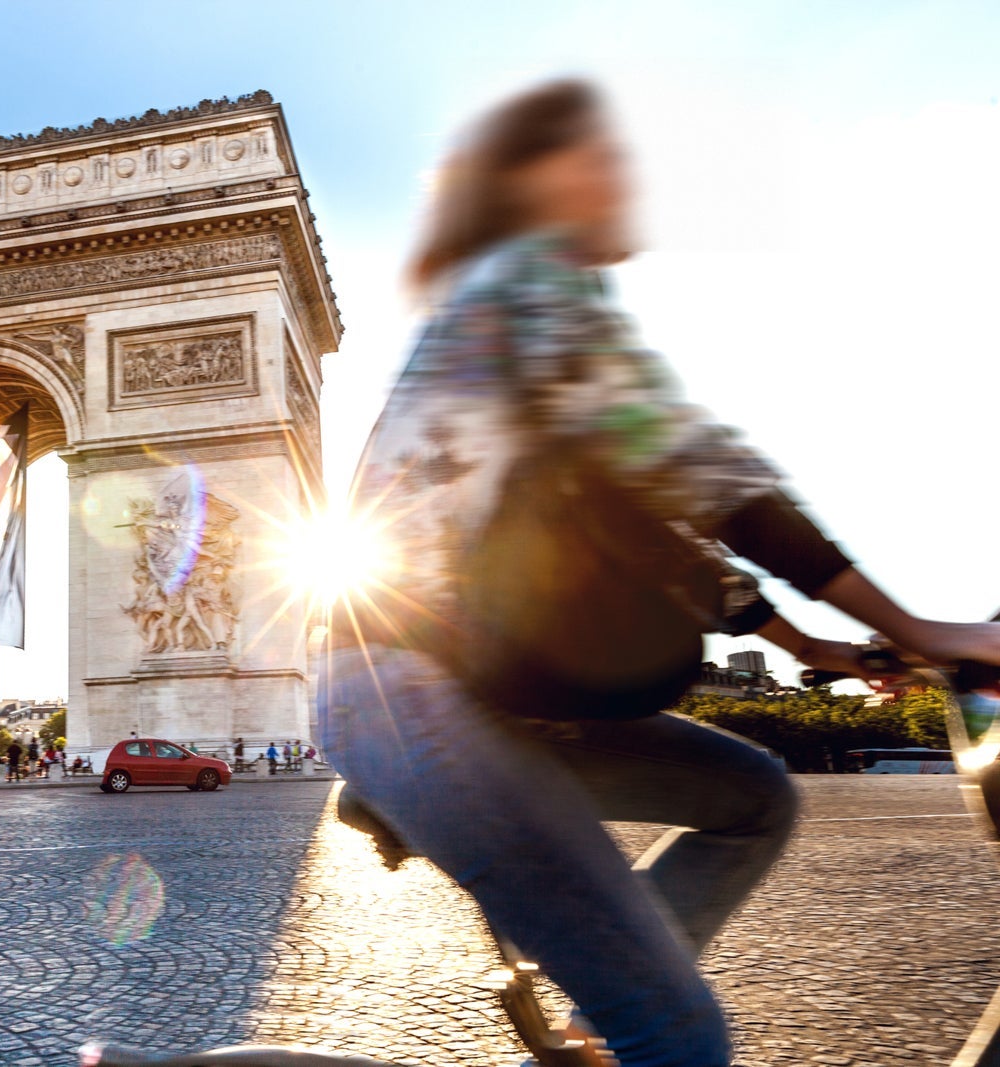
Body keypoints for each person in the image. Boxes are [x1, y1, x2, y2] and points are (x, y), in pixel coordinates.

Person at [320, 78, 1000, 1067]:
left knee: (756, 795)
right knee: (677, 1033)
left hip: (485, 693)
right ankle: (633, 1005)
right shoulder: (524, 286)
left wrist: (819, 645)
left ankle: (602, 1002)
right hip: (416, 695)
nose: (628, 181)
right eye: (603, 160)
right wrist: (927, 624)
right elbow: (699, 465)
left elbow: (660, 535)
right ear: (532, 181)